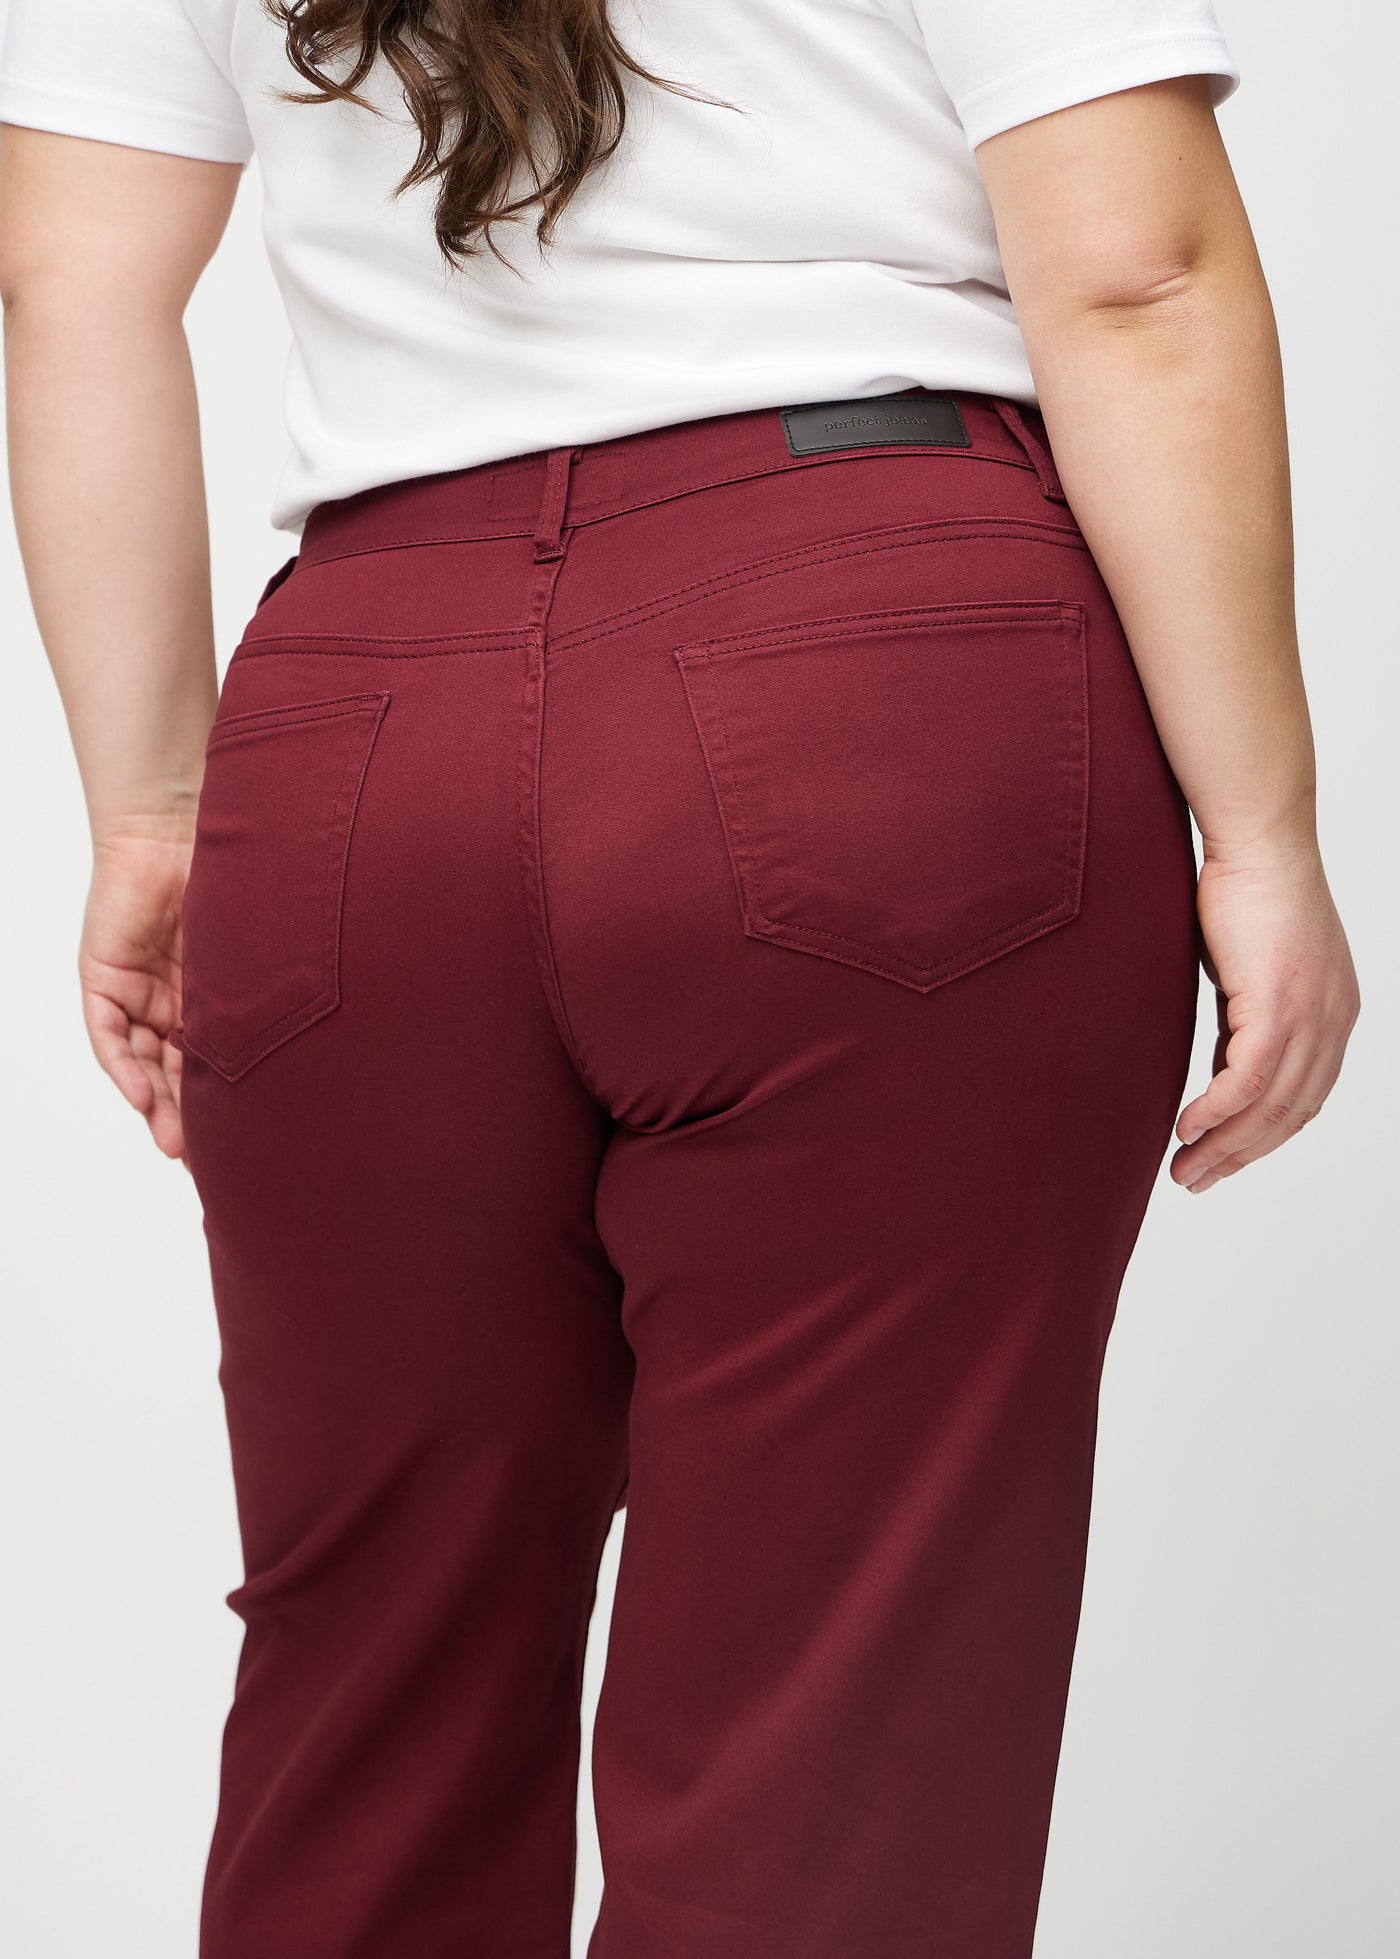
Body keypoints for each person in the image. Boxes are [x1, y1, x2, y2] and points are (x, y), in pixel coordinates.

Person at [0, 0, 1360, 1953]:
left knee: (372, 1696)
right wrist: (1263, 827)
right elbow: (1134, 263)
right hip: (882, 672)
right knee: (829, 1744)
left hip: (360, 736)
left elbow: (68, 287)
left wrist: (149, 817)